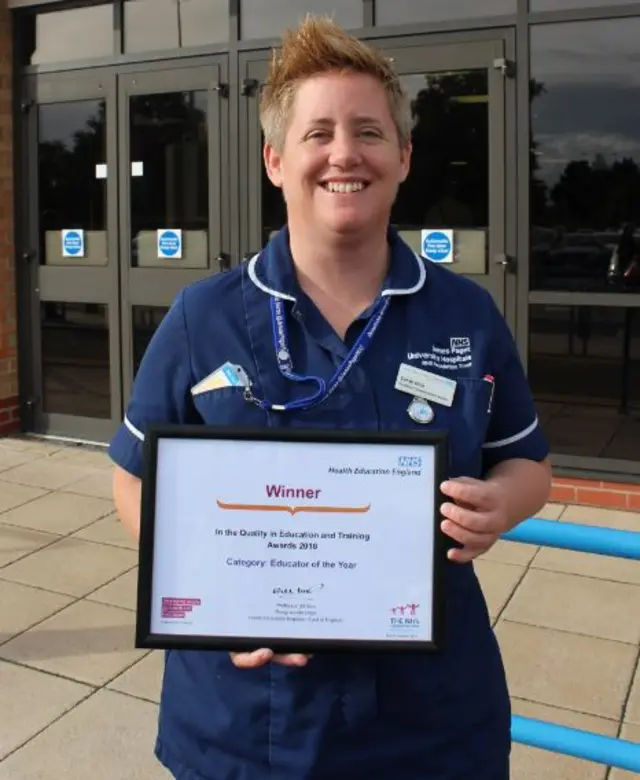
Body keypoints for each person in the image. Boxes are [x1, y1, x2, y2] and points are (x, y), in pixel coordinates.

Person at [110, 16, 552, 780]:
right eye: (318, 133)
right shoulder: (202, 317)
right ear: (275, 160)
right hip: (247, 724)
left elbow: (528, 464)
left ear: (404, 157)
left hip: (433, 717)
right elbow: (131, 477)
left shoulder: (466, 314)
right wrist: (207, 590)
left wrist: (502, 504)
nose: (344, 153)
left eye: (369, 132)